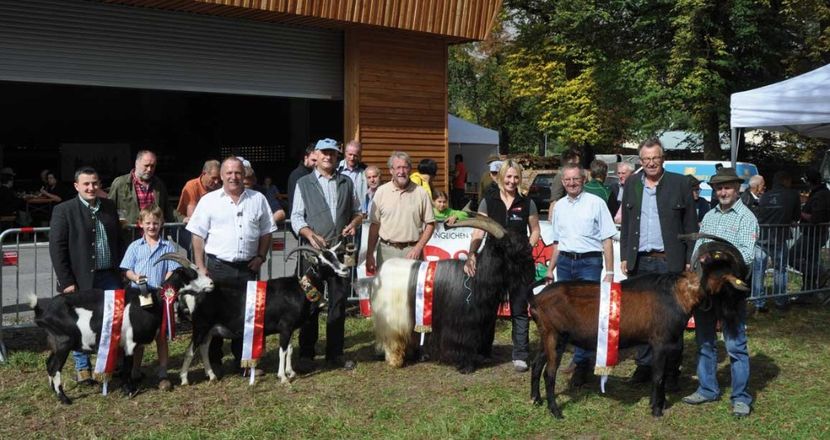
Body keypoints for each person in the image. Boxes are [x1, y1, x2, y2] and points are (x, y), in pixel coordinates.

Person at [186, 157, 276, 373]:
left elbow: (267, 231)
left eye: (238, 173)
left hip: (248, 268)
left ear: (244, 175)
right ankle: (215, 362)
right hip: (218, 267)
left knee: (247, 315)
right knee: (214, 314)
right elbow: (197, 235)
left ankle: (244, 362)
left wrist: (261, 257)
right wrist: (200, 266)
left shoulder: (258, 199)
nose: (234, 177)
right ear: (222, 175)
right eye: (229, 173)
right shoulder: (209, 201)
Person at [620, 137, 698, 385]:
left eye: (655, 158)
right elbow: (627, 224)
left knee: (672, 319)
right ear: (640, 161)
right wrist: (624, 256)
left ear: (663, 159)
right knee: (640, 317)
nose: (651, 163)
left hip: (669, 261)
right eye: (646, 159)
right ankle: (644, 367)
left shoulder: (679, 183)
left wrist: (689, 259)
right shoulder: (632, 183)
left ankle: (671, 370)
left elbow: (690, 226)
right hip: (640, 260)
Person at [683, 167, 758, 418]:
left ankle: (741, 397)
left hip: (730, 291)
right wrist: (696, 261)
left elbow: (747, 255)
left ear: (737, 189)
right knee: (704, 340)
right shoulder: (710, 215)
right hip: (707, 288)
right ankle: (707, 388)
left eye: (727, 187)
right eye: (718, 188)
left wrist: (722, 259)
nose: (723, 191)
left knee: (735, 345)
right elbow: (699, 245)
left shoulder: (747, 218)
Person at [291, 138, 363, 372]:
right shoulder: (303, 183)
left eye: (333, 153)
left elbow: (357, 212)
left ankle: (335, 354)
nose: (328, 157)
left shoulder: (346, 182)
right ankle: (307, 354)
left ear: (337, 156)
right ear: (316, 155)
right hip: (313, 255)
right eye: (324, 153)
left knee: (339, 304)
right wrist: (309, 234)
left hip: (339, 253)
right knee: (310, 302)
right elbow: (296, 217)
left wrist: (354, 224)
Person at [464, 159, 541, 373]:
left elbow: (535, 230)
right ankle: (483, 350)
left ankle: (521, 355)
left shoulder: (527, 203)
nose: (512, 181)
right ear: (500, 177)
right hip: (492, 261)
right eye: (508, 176)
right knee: (487, 307)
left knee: (519, 309)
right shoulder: (488, 201)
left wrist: (528, 245)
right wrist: (472, 253)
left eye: (516, 177)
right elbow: (478, 230)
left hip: (519, 263)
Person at [49, 166, 123, 384]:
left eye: (95, 183)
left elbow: (118, 241)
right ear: (77, 186)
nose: (91, 187)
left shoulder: (109, 206)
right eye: (86, 184)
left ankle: (108, 365)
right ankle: (83, 368)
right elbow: (57, 248)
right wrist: (66, 281)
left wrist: (123, 270)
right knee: (80, 324)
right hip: (80, 279)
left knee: (111, 322)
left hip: (109, 275)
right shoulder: (64, 210)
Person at [544, 163, 616, 385]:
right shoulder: (559, 207)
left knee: (586, 315)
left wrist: (610, 271)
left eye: (575, 179)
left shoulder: (597, 203)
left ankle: (582, 363)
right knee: (566, 314)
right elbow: (557, 243)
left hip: (589, 263)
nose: (572, 183)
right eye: (567, 180)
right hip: (565, 262)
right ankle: (576, 357)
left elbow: (607, 240)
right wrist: (550, 269)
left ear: (584, 179)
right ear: (562, 181)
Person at [119, 206, 181, 391]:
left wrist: (166, 282)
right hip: (137, 296)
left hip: (159, 296)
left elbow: (173, 268)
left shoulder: (168, 246)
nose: (152, 226)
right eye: (148, 223)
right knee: (137, 335)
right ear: (140, 224)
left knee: (160, 335)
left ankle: (163, 372)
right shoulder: (134, 246)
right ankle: (135, 371)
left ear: (161, 224)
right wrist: (135, 277)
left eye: (155, 223)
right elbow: (126, 269)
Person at [365, 151, 435, 273]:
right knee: (387, 291)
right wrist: (369, 254)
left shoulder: (421, 193)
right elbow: (375, 226)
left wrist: (418, 248)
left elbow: (430, 224)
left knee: (410, 291)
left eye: (405, 167)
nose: (401, 172)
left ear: (410, 169)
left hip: (412, 252)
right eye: (398, 168)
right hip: (387, 252)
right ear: (391, 170)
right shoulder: (381, 192)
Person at [109, 150, 179, 246]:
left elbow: (168, 209)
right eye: (146, 165)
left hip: (153, 240)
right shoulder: (120, 183)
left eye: (152, 166)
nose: (149, 169)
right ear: (136, 163)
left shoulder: (159, 184)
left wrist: (183, 219)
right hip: (128, 240)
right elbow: (109, 208)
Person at [754, 171, 800, 311]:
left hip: (761, 237)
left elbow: (760, 214)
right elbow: (796, 216)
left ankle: (758, 302)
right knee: (780, 270)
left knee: (758, 270)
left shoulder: (765, 195)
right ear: (785, 180)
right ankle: (780, 300)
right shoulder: (792, 195)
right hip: (778, 237)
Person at [797, 169, 830, 291]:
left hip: (813, 234)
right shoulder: (821, 192)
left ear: (809, 181)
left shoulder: (820, 194)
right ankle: (808, 292)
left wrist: (799, 213)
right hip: (815, 233)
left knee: (792, 257)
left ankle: (822, 272)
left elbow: (815, 218)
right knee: (810, 261)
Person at [286, 143, 318, 215]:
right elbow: (295, 203)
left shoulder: (315, 173)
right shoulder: (296, 175)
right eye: (313, 160)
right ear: (306, 158)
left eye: (317, 160)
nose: (316, 163)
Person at [337, 140, 368, 212]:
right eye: (350, 154)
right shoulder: (336, 169)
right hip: (341, 212)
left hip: (359, 213)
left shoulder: (365, 170)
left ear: (359, 155)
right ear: (345, 153)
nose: (352, 158)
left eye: (355, 155)